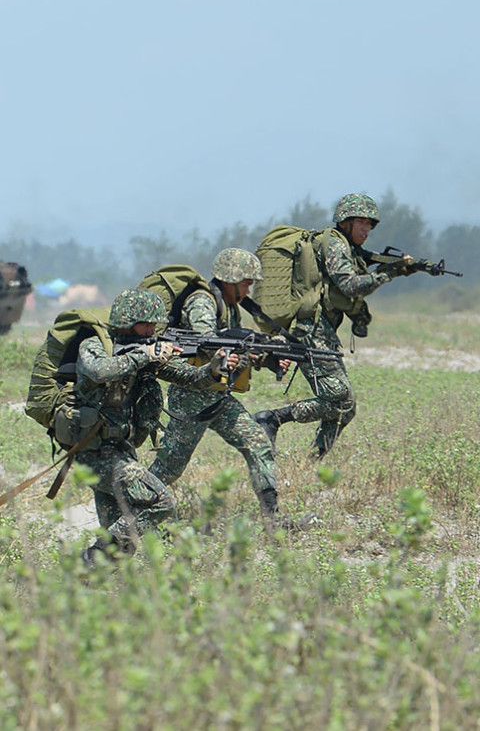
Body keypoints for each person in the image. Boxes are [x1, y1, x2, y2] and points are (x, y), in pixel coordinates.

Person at [54, 288, 228, 564]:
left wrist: (214, 369)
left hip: (121, 450)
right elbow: (99, 370)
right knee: (161, 502)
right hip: (96, 452)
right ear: (126, 321)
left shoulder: (146, 352)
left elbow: (190, 378)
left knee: (122, 546)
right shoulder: (95, 346)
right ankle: (86, 561)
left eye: (153, 325)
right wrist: (145, 354)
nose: (151, 331)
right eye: (145, 324)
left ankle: (84, 584)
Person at [253, 193, 409, 459]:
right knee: (341, 397)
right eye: (361, 223)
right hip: (311, 333)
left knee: (346, 407)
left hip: (322, 333)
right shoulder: (335, 246)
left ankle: (313, 461)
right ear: (345, 222)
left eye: (370, 224)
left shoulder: (347, 248)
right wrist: (389, 274)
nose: (366, 230)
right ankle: (272, 418)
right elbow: (349, 285)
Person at [148, 248, 291, 523]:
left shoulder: (230, 309)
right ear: (231, 279)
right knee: (169, 468)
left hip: (217, 396)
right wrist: (242, 351)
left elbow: (236, 349)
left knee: (257, 443)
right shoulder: (203, 302)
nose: (249, 290)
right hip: (191, 395)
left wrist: (269, 359)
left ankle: (273, 519)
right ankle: (129, 511)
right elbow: (210, 344)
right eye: (247, 283)